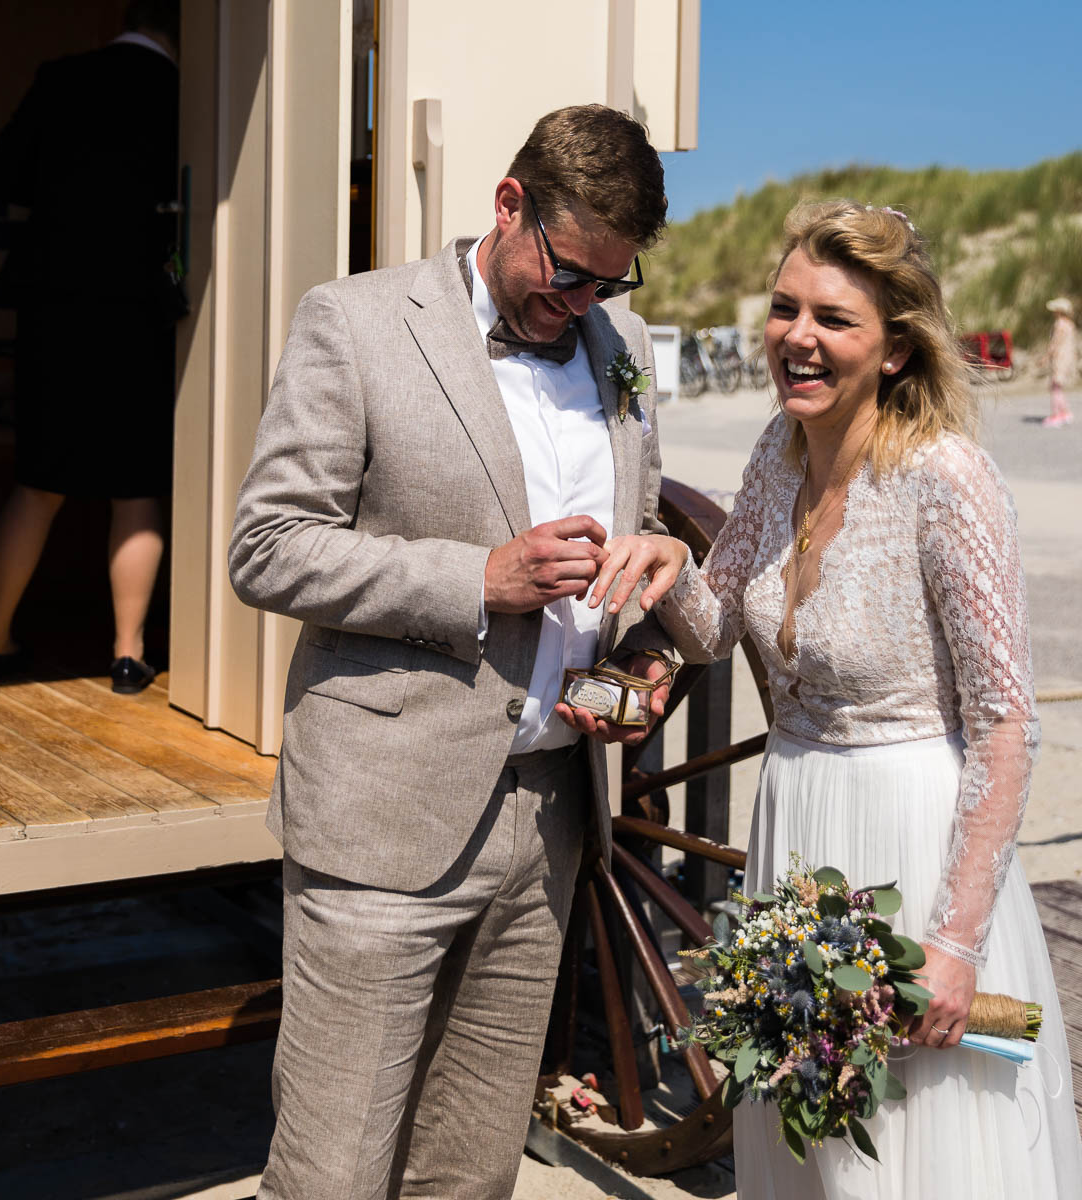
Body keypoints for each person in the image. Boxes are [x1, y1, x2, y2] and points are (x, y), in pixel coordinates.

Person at [596, 201, 1082, 1199]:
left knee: (916, 1151)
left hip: (910, 842)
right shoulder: (778, 454)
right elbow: (715, 620)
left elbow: (1007, 724)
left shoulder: (949, 480)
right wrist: (668, 561)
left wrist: (954, 948)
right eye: (785, 309)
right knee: (810, 1142)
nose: (799, 338)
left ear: (895, 349)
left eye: (834, 319)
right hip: (794, 838)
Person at [227, 105, 675, 1199]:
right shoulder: (356, 321)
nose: (579, 306)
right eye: (566, 273)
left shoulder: (624, 351)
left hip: (551, 820)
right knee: (332, 1173)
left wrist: (649, 653)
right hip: (385, 815)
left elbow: (642, 528)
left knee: (470, 1172)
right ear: (507, 203)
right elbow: (268, 548)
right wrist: (478, 579)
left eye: (607, 286)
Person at [0, 0, 182, 694]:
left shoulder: (61, 76)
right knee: (135, 483)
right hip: (137, 303)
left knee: (40, 479)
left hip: (53, 298)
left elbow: (0, 175)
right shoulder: (182, 94)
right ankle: (126, 653)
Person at [1040, 297, 1077, 427]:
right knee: (1058, 387)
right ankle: (1065, 412)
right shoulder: (1070, 324)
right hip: (1067, 357)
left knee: (1055, 386)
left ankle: (1056, 414)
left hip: (1059, 358)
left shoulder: (1059, 324)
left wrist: (1045, 357)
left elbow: (1055, 343)